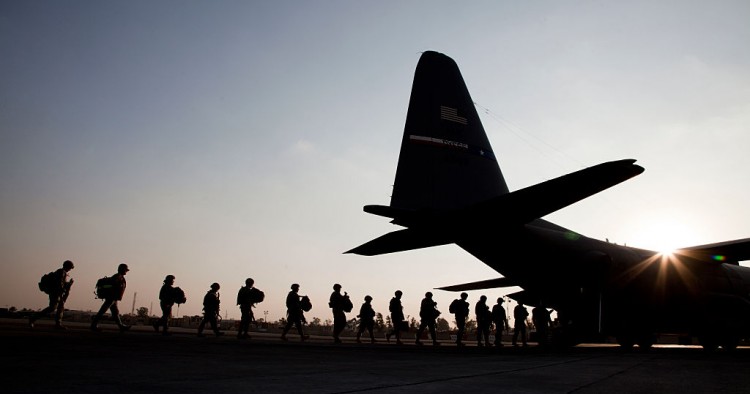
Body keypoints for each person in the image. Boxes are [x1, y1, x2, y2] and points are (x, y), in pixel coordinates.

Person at [30, 260, 75, 329]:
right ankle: (33, 318)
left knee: (60, 308)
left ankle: (58, 324)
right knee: (52, 308)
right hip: (55, 293)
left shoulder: (62, 272)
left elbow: (62, 284)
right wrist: (68, 284)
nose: (70, 269)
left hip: (57, 293)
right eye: (70, 267)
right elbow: (60, 285)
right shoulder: (61, 272)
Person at [91, 263, 131, 332]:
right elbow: (111, 286)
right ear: (122, 269)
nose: (126, 271)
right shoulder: (117, 277)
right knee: (102, 311)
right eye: (125, 270)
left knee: (115, 313)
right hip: (111, 297)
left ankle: (121, 326)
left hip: (114, 298)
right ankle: (93, 325)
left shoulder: (120, 277)